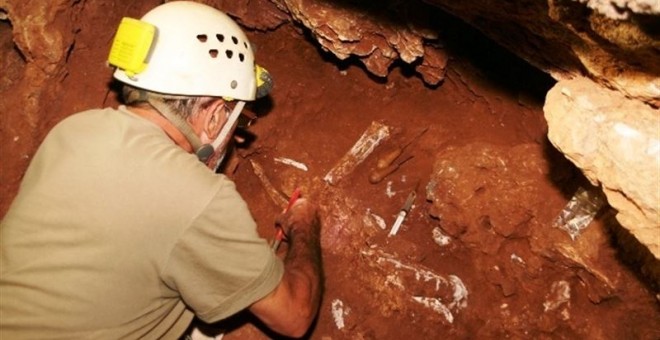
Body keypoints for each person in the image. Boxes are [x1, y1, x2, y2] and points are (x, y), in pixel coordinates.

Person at [0, 1, 323, 339]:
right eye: (236, 118)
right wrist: (305, 225)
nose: (236, 130)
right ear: (214, 116)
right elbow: (294, 316)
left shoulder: (72, 130)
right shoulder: (198, 196)